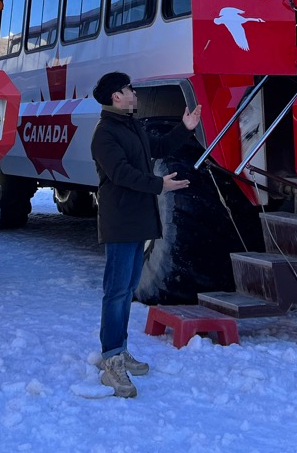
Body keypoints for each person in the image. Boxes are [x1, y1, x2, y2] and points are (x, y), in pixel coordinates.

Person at [89, 71, 200, 398]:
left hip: (138, 218)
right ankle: (111, 360)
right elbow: (121, 174)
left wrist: (186, 128)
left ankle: (119, 350)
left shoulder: (132, 124)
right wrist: (159, 185)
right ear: (116, 97)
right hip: (121, 220)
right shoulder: (104, 133)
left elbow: (161, 146)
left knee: (126, 291)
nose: (135, 93)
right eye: (129, 89)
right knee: (116, 290)